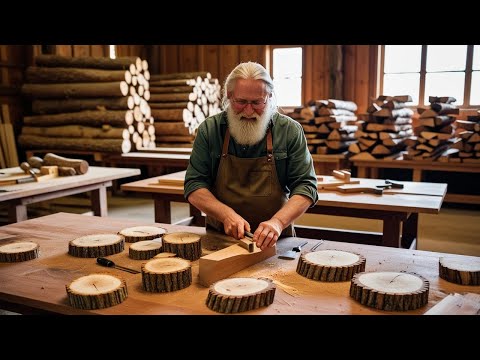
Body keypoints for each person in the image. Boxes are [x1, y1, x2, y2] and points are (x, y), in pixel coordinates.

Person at [184, 61, 318, 251]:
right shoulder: (210, 129)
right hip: (221, 239)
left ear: (269, 97)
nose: (248, 111)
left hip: (276, 241)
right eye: (241, 102)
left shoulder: (289, 130)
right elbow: (194, 184)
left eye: (257, 102)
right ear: (229, 96)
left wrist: (278, 222)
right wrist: (226, 215)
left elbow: (306, 186)